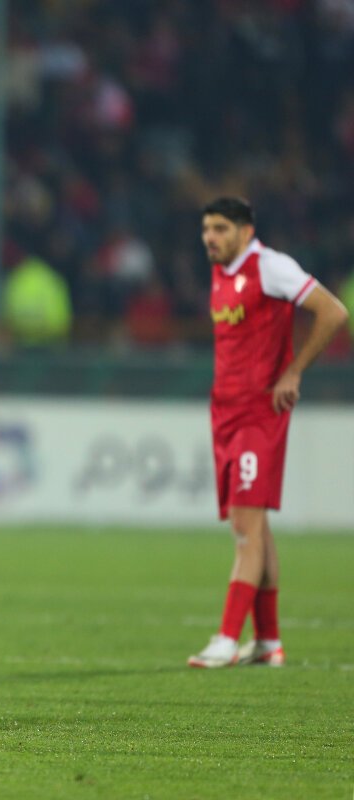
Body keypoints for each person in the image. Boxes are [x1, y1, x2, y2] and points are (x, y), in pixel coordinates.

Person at [188, 197, 348, 668]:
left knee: (245, 527)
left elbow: (334, 312)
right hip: (226, 414)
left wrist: (293, 371)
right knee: (256, 527)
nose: (210, 238)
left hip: (259, 414)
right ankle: (267, 641)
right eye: (206, 229)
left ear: (245, 230)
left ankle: (226, 638)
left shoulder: (271, 267)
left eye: (220, 228)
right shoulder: (221, 273)